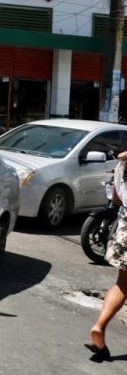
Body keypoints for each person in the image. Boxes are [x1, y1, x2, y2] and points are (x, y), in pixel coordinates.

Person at [87, 152, 127, 362]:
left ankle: (99, 325)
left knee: (122, 283)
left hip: (125, 228)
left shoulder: (122, 164)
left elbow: (117, 198)